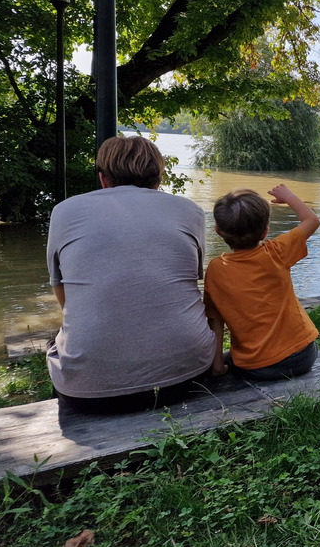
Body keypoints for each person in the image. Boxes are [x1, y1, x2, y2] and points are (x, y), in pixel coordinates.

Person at [46, 136, 217, 414]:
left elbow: (63, 294)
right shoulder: (191, 210)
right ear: (157, 180)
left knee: (59, 338)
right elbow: (188, 279)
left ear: (103, 179)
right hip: (189, 374)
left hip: (87, 392)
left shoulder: (64, 211)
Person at [203, 184, 320, 381]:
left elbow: (215, 320)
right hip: (303, 356)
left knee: (225, 359)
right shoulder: (277, 251)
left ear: (218, 231)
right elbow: (312, 221)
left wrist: (217, 366)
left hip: (256, 367)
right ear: (265, 231)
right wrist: (289, 197)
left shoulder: (216, 269)